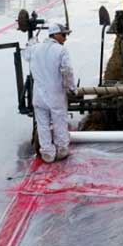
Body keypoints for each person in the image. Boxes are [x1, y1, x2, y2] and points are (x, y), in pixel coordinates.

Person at [23, 23, 76, 163]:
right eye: (64, 35)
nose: (65, 38)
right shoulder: (61, 50)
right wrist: (71, 88)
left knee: (43, 124)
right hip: (56, 95)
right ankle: (62, 150)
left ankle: (47, 153)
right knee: (59, 122)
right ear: (55, 35)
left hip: (39, 96)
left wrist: (31, 41)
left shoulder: (35, 49)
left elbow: (25, 54)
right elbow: (67, 71)